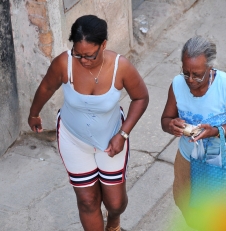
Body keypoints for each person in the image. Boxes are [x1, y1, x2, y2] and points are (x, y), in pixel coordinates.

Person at [28, 15, 149, 231]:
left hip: (111, 139)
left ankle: (113, 223)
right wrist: (34, 113)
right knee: (87, 201)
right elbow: (46, 87)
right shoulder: (64, 63)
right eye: (78, 53)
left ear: (103, 45)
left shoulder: (120, 67)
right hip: (73, 139)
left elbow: (141, 98)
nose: (83, 60)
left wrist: (123, 134)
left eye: (90, 56)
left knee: (116, 203)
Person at [161, 36, 226, 230]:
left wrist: (215, 131)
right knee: (184, 199)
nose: (190, 80)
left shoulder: (225, 86)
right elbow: (165, 119)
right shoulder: (177, 85)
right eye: (186, 73)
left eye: (197, 74)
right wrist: (171, 125)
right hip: (188, 156)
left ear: (210, 68)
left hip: (220, 159)